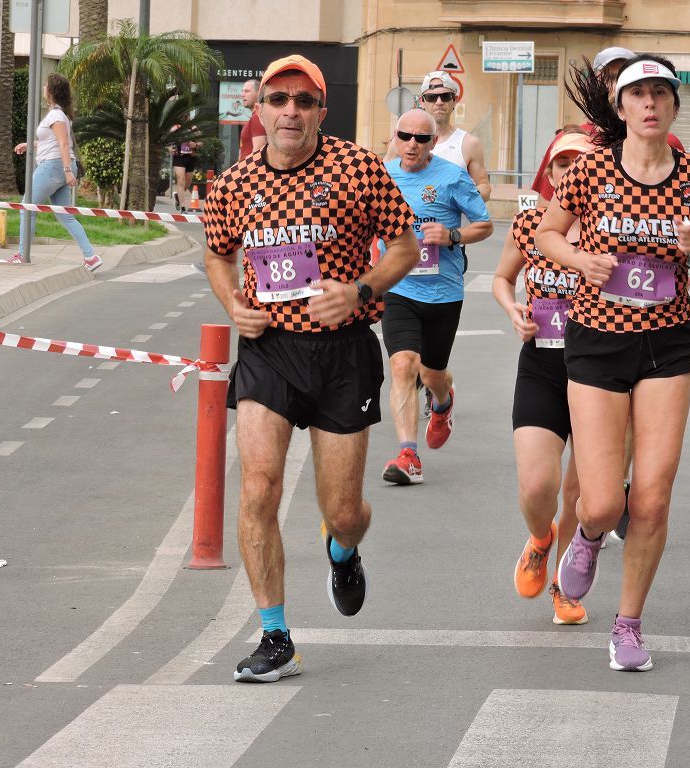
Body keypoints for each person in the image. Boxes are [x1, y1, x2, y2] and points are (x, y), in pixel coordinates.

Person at [202, 54, 420, 683]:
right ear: (259, 109)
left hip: (342, 352)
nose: (290, 111)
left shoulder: (357, 169)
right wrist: (232, 303)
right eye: (278, 99)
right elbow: (219, 255)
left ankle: (343, 551)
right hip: (269, 351)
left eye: (304, 100)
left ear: (322, 110)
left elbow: (405, 245)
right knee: (257, 488)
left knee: (343, 508)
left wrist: (359, 289)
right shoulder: (235, 183)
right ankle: (276, 637)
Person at [536, 54, 690, 672]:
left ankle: (628, 625)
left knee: (653, 494)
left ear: (674, 105)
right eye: (637, 95)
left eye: (660, 94)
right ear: (621, 109)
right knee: (601, 503)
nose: (649, 104)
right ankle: (588, 537)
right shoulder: (588, 171)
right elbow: (546, 233)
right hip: (596, 339)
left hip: (668, 344)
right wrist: (577, 261)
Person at [493, 130, 595, 625]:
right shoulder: (532, 223)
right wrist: (512, 309)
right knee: (538, 487)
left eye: (581, 164)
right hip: (541, 364)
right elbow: (500, 278)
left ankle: (562, 587)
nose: (570, 174)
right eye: (561, 166)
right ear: (550, 175)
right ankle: (539, 537)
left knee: (578, 492)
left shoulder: (613, 227)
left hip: (599, 369)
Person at [379, 108, 492, 485]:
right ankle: (408, 454)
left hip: (443, 292)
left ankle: (443, 401)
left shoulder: (452, 177)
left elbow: (484, 225)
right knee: (402, 366)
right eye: (405, 136)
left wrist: (452, 235)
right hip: (398, 287)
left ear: (433, 143)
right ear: (395, 136)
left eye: (422, 138)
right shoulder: (381, 177)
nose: (412, 144)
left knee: (432, 374)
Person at [531, 47, 685, 205]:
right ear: (595, 86)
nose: (617, 87)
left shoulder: (669, 144)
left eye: (625, 80)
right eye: (609, 78)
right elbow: (544, 213)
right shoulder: (568, 142)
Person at [6, 73, 100, 270]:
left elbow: (64, 143)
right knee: (65, 215)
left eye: (45, 85)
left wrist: (67, 171)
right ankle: (90, 257)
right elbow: (51, 142)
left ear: (51, 91)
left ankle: (22, 254)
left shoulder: (56, 115)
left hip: (53, 167)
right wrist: (30, 144)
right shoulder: (59, 114)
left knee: (27, 207)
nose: (43, 88)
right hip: (58, 166)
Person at [386, 71, 491, 202]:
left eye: (445, 96)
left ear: (455, 101)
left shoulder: (469, 144)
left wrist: (458, 198)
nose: (439, 102)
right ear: (422, 102)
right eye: (431, 97)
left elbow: (484, 187)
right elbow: (382, 181)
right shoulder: (402, 141)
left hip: (450, 221)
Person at [237, 78, 267, 161]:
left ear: (258, 94)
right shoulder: (256, 116)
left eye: (247, 91)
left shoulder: (257, 117)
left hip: (251, 172)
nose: (243, 94)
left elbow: (259, 151)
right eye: (242, 91)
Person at [170, 137, 200, 212]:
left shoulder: (194, 129)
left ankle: (178, 196)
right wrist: (170, 149)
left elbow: (202, 142)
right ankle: (183, 207)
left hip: (191, 158)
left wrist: (196, 145)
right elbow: (167, 142)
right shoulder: (175, 128)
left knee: (188, 182)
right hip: (179, 157)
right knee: (181, 180)